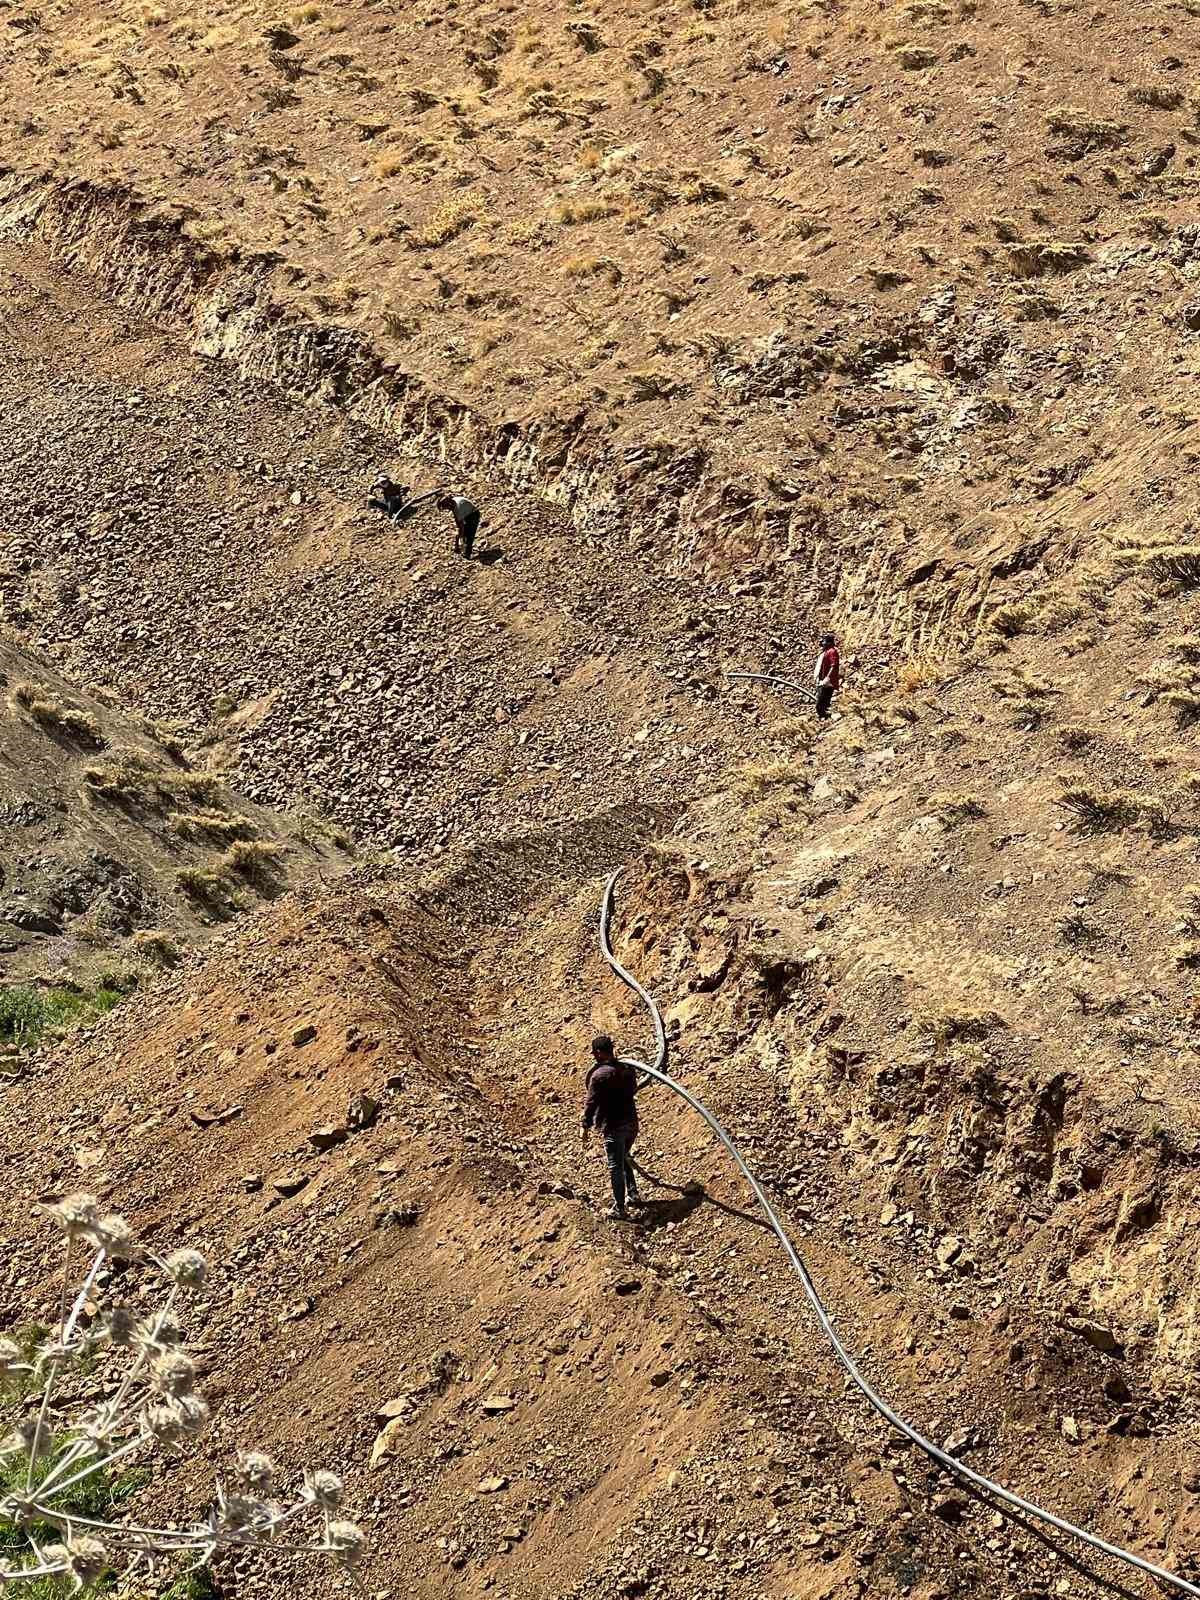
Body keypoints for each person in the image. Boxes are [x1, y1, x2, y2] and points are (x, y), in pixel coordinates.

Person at [581, 1035, 642, 1220]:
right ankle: (633, 1194)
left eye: (594, 1053)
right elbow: (633, 1089)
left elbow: (591, 1104)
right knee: (623, 1157)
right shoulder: (627, 1069)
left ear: (598, 1053)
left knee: (615, 1165)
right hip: (632, 1123)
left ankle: (620, 1208)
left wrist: (585, 1125)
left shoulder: (598, 1076)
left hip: (614, 1127)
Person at [438, 493, 482, 559]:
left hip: (473, 515)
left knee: (469, 534)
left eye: (446, 507)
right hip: (467, 514)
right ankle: (464, 549)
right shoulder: (453, 503)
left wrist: (459, 536)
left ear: (448, 504)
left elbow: (461, 526)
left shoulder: (458, 507)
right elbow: (457, 519)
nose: (447, 509)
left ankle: (466, 554)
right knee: (464, 534)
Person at [814, 632, 840, 719]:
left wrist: (827, 678)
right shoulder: (826, 652)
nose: (822, 643)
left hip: (827, 683)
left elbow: (834, 665)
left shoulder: (832, 651)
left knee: (821, 704)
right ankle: (825, 718)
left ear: (829, 643)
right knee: (822, 703)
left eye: (824, 641)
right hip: (823, 681)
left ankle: (826, 718)